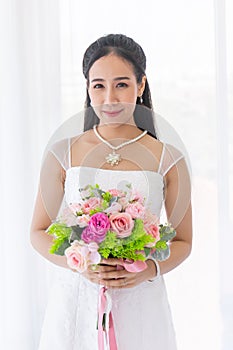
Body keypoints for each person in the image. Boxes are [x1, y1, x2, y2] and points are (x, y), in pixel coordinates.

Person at [30, 33, 192, 350]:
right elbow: (37, 232)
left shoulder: (169, 158)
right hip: (76, 295)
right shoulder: (61, 153)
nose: (109, 98)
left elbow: (184, 240)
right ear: (88, 88)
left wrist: (150, 268)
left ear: (141, 85)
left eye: (121, 84)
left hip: (140, 297)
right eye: (98, 85)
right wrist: (79, 263)